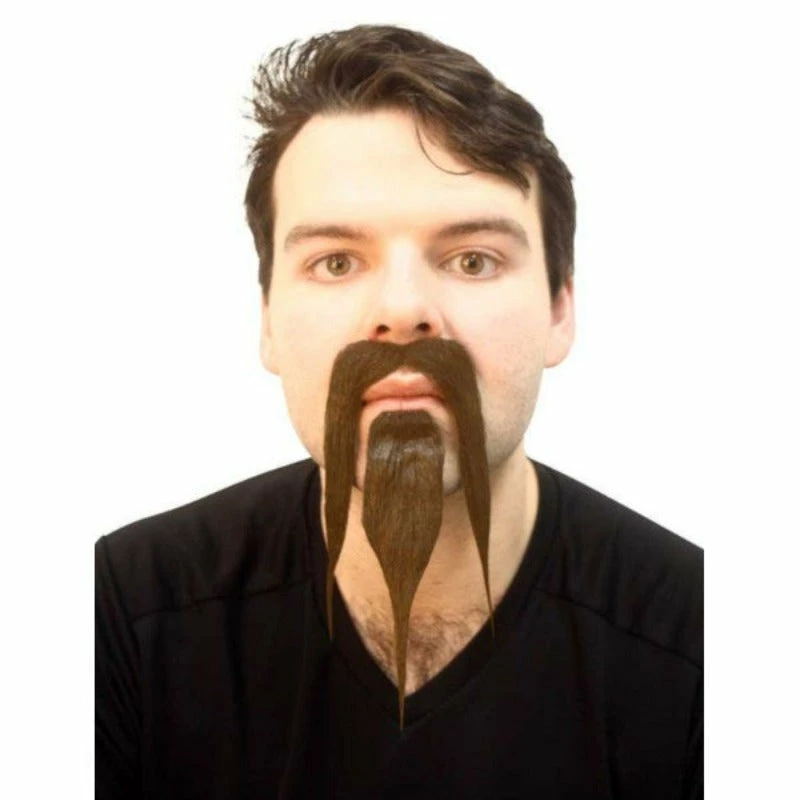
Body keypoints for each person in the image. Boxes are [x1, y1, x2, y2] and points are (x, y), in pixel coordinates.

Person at [95, 23, 703, 799]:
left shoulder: (706, 644)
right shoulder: (122, 614)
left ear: (560, 310)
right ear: (268, 320)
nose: (404, 310)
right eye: (336, 261)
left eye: (472, 259)